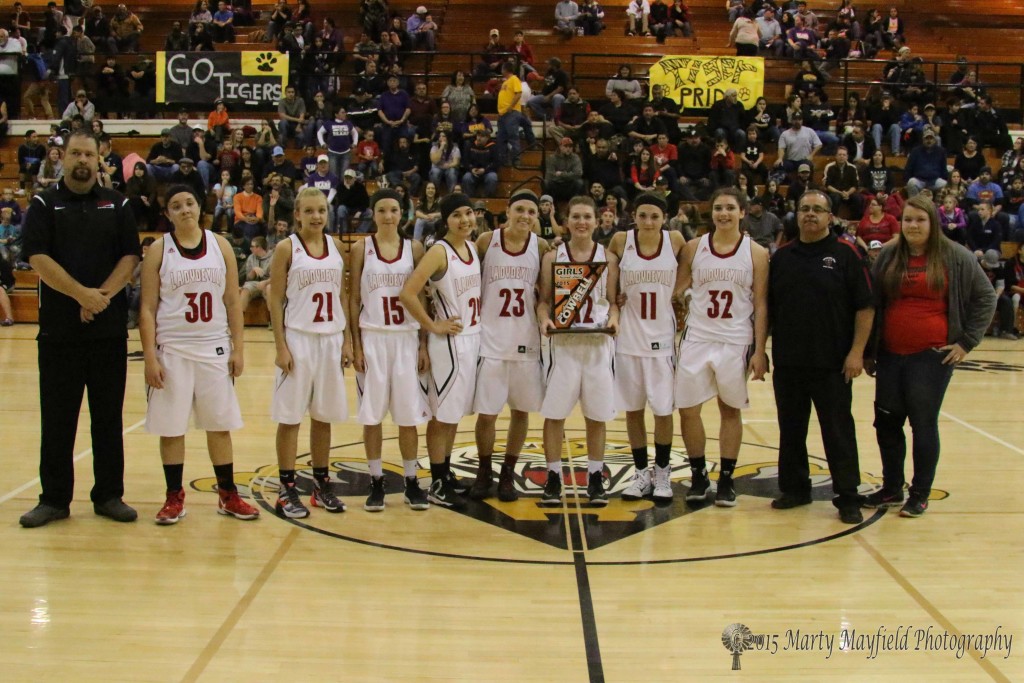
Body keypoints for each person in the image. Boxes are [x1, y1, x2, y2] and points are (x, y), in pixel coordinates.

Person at [19, 131, 141, 528]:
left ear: (99, 158)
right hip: (58, 334)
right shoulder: (43, 203)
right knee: (57, 418)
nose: (82, 160)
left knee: (108, 418)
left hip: (107, 334)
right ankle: (54, 499)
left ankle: (109, 495)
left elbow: (130, 256)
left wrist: (100, 297)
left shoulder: (118, 203)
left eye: (89, 153)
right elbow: (37, 257)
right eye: (75, 153)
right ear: (63, 158)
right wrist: (80, 296)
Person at [865, 196, 996, 517]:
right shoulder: (889, 256)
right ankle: (892, 488)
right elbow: (873, 304)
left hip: (931, 356)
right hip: (891, 354)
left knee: (922, 423)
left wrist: (966, 342)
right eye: (908, 219)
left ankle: (920, 493)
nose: (913, 225)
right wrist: (869, 349)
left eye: (920, 220)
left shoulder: (955, 256)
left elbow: (986, 297)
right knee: (886, 422)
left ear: (932, 223)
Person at [139, 185, 257, 525]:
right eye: (176, 205)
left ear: (198, 206)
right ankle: (174, 497)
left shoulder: (220, 245)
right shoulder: (160, 250)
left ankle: (228, 495)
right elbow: (147, 308)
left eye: (189, 202)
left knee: (219, 425)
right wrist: (150, 356)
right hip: (173, 349)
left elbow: (233, 301)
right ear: (167, 213)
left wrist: (239, 348)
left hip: (213, 348)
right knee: (171, 428)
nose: (184, 209)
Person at [768, 189, 874, 524]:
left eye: (818, 209)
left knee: (838, 431)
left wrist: (857, 352)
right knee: (791, 428)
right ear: (796, 215)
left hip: (832, 363)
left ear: (831, 217)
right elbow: (768, 308)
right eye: (804, 209)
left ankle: (848, 496)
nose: (810, 214)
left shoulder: (847, 254)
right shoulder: (782, 257)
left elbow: (865, 306)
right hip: (789, 362)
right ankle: (795, 489)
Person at [672, 188, 768, 506]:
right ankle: (699, 475)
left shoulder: (755, 252)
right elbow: (677, 289)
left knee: (729, 409)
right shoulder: (693, 247)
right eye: (717, 208)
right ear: (710, 213)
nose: (723, 213)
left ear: (742, 212)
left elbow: (761, 303)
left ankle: (726, 479)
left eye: (729, 208)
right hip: (697, 337)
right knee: (688, 409)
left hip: (734, 340)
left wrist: (759, 350)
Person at [268, 187, 353, 518]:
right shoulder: (285, 248)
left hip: (330, 339)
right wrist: (280, 345)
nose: (317, 216)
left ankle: (321, 484)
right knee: (290, 417)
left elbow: (342, 294)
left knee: (323, 415)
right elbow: (275, 299)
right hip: (299, 339)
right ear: (297, 214)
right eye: (310, 211)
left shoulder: (335, 247)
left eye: (322, 210)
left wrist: (346, 339)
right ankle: (286, 489)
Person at [350, 189, 432, 511]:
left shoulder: (414, 248)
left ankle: (411, 480)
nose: (388, 216)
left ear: (403, 213)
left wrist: (424, 342)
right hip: (372, 338)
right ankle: (376, 480)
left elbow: (423, 297)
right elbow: (354, 298)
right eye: (382, 210)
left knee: (408, 415)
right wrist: (353, 343)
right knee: (372, 416)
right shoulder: (360, 248)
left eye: (394, 210)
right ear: (373, 214)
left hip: (406, 339)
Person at [399, 193, 482, 509]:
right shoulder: (438, 251)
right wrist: (433, 326)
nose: (465, 220)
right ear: (445, 220)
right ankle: (436, 480)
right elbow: (407, 294)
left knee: (453, 414)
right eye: (457, 215)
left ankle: (445, 473)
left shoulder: (472, 248)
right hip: (449, 344)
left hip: (471, 338)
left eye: (469, 213)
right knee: (441, 415)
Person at [535, 196, 620, 505]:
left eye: (587, 217)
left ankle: (595, 477)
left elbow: (612, 301)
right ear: (566, 220)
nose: (582, 222)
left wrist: (613, 318)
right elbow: (543, 300)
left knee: (596, 415)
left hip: (598, 345)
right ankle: (554, 477)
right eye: (576, 217)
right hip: (564, 346)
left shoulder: (608, 258)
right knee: (555, 414)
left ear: (597, 222)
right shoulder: (552, 257)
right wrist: (544, 319)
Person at [467, 190, 549, 501]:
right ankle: (484, 472)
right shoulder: (487, 241)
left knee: (520, 411)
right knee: (487, 414)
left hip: (526, 341)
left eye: (531, 211)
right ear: (508, 211)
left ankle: (507, 475)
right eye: (520, 209)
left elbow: (548, 292)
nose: (525, 215)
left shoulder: (540, 247)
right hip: (491, 340)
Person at [606, 193, 685, 501]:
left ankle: (662, 472)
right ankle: (641, 473)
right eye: (643, 216)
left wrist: (679, 294)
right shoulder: (620, 241)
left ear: (663, 218)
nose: (648, 221)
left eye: (654, 216)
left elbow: (690, 271)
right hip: (627, 340)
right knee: (633, 410)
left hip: (662, 341)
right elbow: (605, 278)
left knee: (663, 410)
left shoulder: (676, 241)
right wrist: (615, 299)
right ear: (634, 217)